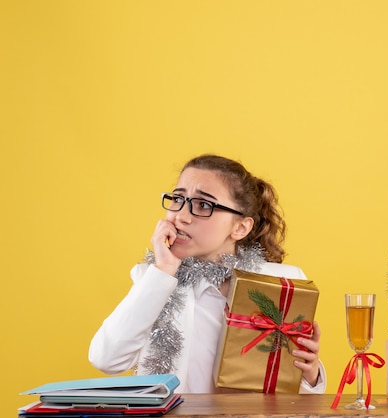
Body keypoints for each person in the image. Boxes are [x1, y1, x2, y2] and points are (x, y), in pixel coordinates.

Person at [89, 154, 325, 394]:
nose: (181, 216)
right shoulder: (152, 279)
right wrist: (163, 271)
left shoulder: (281, 284)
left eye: (203, 205)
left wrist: (310, 374)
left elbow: (295, 396)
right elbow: (107, 359)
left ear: (240, 227)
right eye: (178, 199)